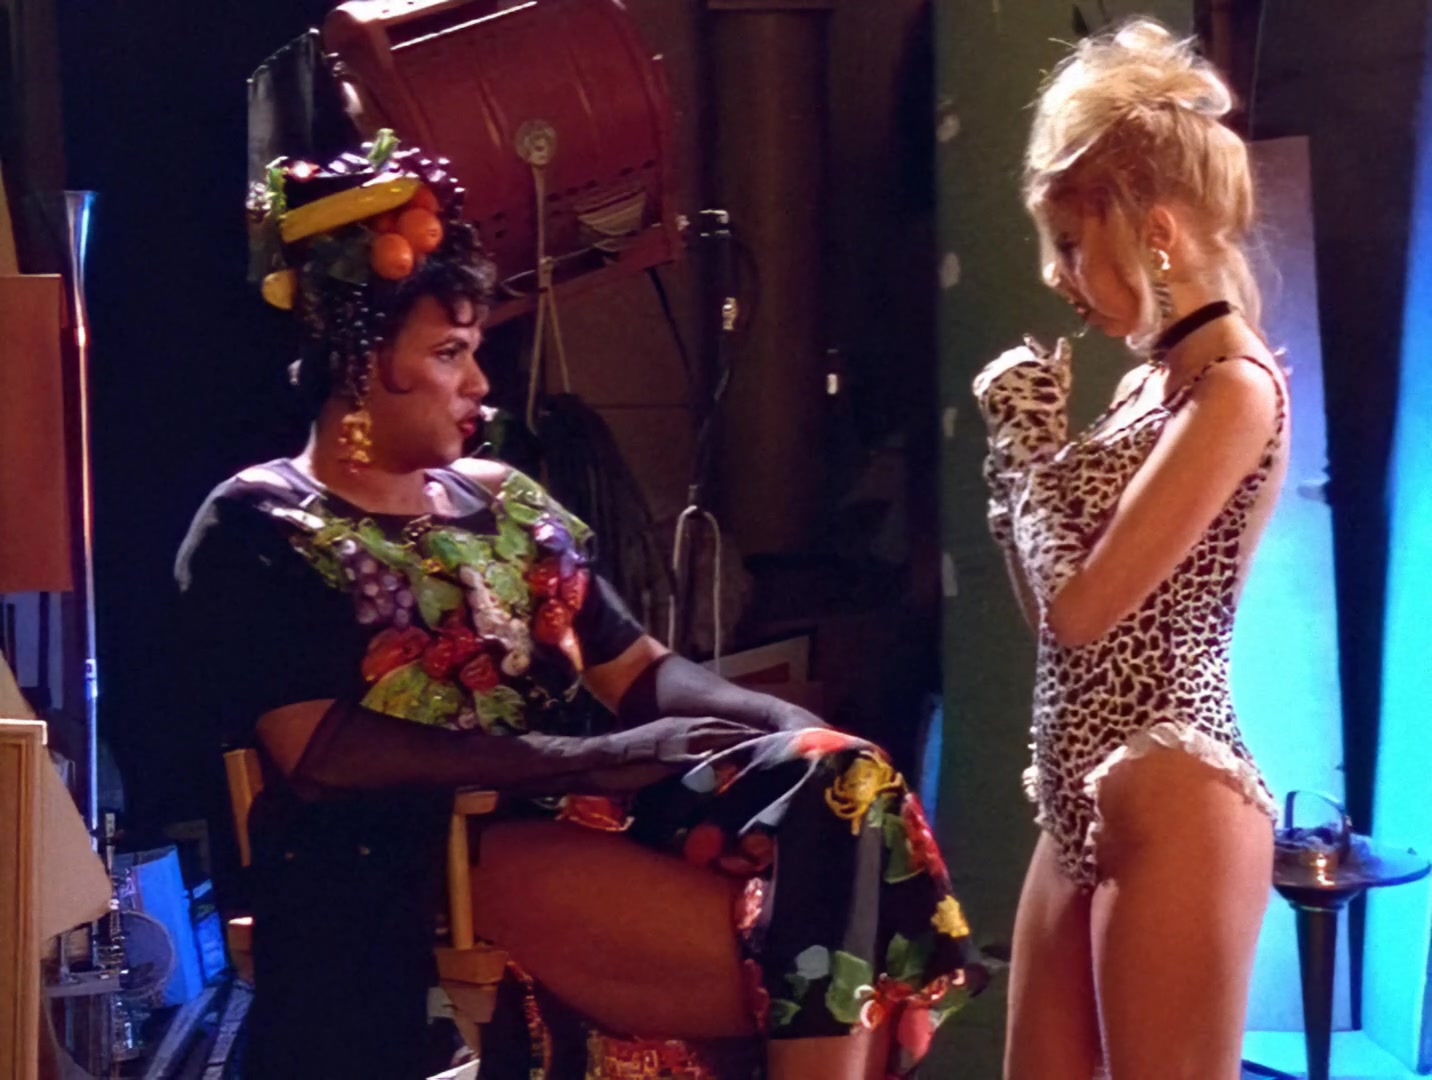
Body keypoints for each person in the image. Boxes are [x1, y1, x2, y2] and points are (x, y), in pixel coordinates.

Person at [176, 133, 979, 1080]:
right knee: (838, 950)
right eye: (448, 353)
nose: (479, 386)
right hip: (424, 841)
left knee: (845, 776)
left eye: (475, 352)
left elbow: (636, 671)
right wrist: (583, 757)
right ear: (359, 360)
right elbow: (319, 751)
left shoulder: (507, 501)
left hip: (583, 803)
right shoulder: (261, 522)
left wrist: (783, 725)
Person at [972, 20, 1286, 1080]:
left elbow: (1081, 610)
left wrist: (1028, 448)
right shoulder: (1145, 385)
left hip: (1177, 803)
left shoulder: (1234, 390)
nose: (1054, 274)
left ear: (1154, 233)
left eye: (1069, 241)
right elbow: (1042, 607)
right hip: (1073, 805)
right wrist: (1017, 469)